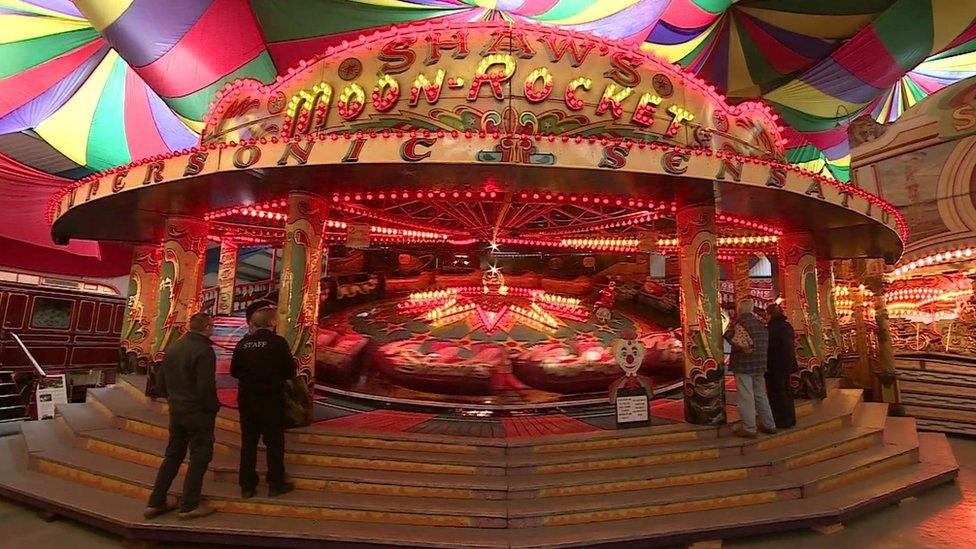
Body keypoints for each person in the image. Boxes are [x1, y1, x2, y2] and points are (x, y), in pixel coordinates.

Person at [144, 313, 219, 520]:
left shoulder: (174, 347)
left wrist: (172, 399)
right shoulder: (204, 351)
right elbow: (206, 386)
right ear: (207, 327)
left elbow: (160, 381)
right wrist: (213, 408)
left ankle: (156, 501)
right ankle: (189, 504)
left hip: (176, 409)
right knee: (200, 455)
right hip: (197, 411)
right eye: (212, 326)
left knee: (173, 455)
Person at [230, 305, 296, 498]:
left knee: (248, 442)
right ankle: (276, 483)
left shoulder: (242, 344)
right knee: (274, 442)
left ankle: (247, 486)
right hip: (271, 399)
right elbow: (289, 372)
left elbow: (234, 371)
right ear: (273, 323)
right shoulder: (278, 343)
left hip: (247, 399)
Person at [723, 299, 777, 438]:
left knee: (746, 396)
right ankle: (769, 424)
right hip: (760, 365)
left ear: (739, 309)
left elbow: (730, 337)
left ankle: (749, 428)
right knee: (760, 395)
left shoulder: (740, 324)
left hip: (744, 365)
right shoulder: (760, 324)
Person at [765, 303, 797, 428]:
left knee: (777, 393)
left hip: (775, 365)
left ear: (770, 315)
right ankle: (790, 418)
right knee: (786, 391)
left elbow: (770, 348)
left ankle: (781, 420)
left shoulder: (772, 329)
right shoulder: (787, 326)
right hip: (787, 363)